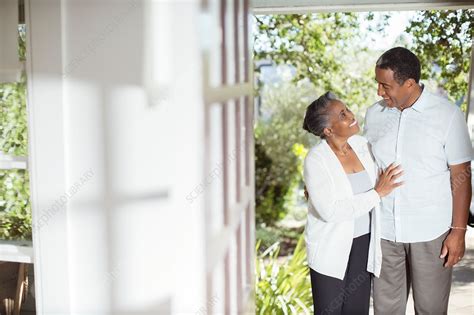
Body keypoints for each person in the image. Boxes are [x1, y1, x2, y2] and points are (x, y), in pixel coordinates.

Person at [364, 47, 473, 314]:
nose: (380, 92)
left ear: (409, 83)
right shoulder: (374, 115)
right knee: (386, 310)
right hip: (385, 232)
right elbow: (363, 162)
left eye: (385, 85)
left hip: (431, 232)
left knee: (431, 309)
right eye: (378, 84)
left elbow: (461, 175)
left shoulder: (447, 115)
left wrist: (458, 232)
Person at [302, 92, 402, 314]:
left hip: (364, 243)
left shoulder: (362, 145)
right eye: (342, 115)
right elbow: (331, 211)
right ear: (328, 130)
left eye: (346, 109)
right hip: (331, 247)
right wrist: (377, 193)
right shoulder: (317, 159)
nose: (351, 115)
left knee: (357, 310)